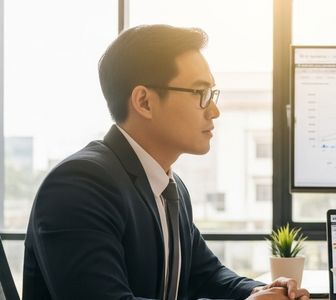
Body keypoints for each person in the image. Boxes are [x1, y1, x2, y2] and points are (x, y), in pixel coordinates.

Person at [22, 25, 309, 300]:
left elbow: (205, 275)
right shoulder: (79, 185)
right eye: (200, 94)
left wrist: (264, 291)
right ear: (144, 101)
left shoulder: (171, 187)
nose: (214, 110)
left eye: (212, 94)